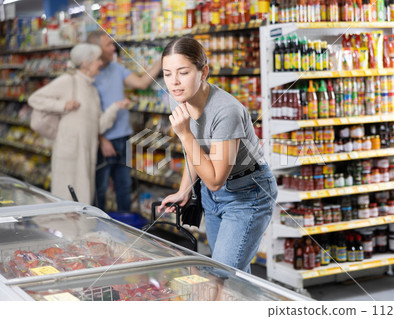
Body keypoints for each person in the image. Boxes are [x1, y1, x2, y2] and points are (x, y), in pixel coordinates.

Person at [159, 37, 278, 273]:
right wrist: (184, 190)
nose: (174, 82)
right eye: (167, 73)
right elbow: (197, 154)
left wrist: (184, 134)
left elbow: (214, 180)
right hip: (212, 199)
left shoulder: (226, 111)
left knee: (221, 275)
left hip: (248, 196)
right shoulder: (181, 101)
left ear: (203, 72)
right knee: (235, 276)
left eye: (182, 72)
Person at [28, 43, 130, 204]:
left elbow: (98, 126)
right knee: (66, 202)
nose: (100, 63)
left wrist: (114, 108)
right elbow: (34, 99)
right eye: (97, 60)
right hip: (68, 156)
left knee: (82, 202)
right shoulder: (69, 81)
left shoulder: (92, 90)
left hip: (87, 155)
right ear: (85, 63)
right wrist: (62, 105)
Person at [87, 30, 161, 213]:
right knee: (100, 189)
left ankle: (124, 232)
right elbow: (87, 114)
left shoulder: (117, 68)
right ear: (96, 49)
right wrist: (101, 139)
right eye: (108, 45)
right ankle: (97, 234)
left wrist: (162, 60)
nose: (114, 48)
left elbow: (142, 83)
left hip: (123, 137)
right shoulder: (89, 75)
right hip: (103, 141)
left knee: (124, 187)